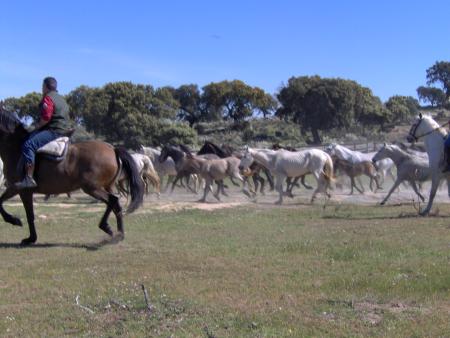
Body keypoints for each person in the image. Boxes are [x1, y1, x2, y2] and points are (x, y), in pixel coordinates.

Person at [15, 77, 72, 189]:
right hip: (64, 130)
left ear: (45, 87)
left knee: (28, 145)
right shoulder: (62, 99)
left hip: (54, 130)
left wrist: (36, 126)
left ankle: (29, 178)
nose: (42, 88)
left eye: (42, 86)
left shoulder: (48, 98)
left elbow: (46, 118)